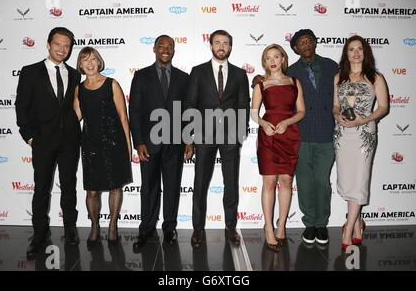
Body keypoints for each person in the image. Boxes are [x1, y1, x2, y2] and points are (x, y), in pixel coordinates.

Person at [15, 27, 81, 259]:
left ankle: (71, 229)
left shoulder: (74, 74)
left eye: (67, 46)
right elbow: (21, 106)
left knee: (69, 186)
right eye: (58, 44)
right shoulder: (30, 72)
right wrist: (29, 136)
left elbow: (73, 108)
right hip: (42, 141)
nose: (63, 49)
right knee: (41, 188)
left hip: (70, 141)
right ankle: (39, 234)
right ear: (48, 44)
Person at [184, 29, 250, 248]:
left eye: (226, 43)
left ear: (230, 47)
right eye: (217, 42)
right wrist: (188, 138)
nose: (221, 46)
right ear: (210, 45)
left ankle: (230, 227)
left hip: (230, 137)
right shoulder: (198, 72)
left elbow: (243, 105)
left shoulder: (240, 74)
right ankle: (197, 229)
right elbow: (190, 105)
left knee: (231, 183)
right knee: (200, 183)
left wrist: (239, 134)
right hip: (203, 135)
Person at [129, 35, 190, 249]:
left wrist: (189, 141)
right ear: (154, 49)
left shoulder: (184, 78)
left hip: (175, 143)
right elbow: (134, 111)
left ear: (173, 51)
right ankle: (146, 230)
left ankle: (169, 228)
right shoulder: (141, 76)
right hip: (149, 143)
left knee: (172, 187)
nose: (165, 49)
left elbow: (188, 113)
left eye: (169, 47)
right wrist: (138, 142)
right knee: (149, 188)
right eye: (161, 46)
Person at [73, 47, 133, 248]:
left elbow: (124, 118)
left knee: (115, 186)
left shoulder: (111, 84)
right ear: (80, 65)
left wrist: (128, 146)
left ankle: (113, 225)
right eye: (85, 60)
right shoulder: (78, 89)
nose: (89, 63)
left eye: (93, 59)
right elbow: (75, 118)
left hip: (114, 143)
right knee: (91, 192)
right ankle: (95, 225)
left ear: (99, 62)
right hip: (90, 145)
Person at [333, 35, 388, 250]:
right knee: (347, 181)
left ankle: (347, 228)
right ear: (346, 54)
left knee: (359, 180)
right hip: (342, 135)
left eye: (360, 49)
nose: (356, 52)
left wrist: (364, 119)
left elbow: (383, 107)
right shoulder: (339, 77)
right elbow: (335, 106)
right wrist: (338, 116)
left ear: (365, 53)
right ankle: (357, 225)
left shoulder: (376, 77)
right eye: (351, 49)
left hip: (364, 135)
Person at [251, 44, 305, 252]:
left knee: (286, 180)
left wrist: (288, 122)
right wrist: (264, 124)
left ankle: (281, 225)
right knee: (269, 182)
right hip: (269, 135)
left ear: (283, 59)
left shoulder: (294, 82)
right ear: (264, 62)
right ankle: (268, 228)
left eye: (276, 56)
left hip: (289, 134)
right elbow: (254, 112)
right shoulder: (261, 84)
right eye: (268, 58)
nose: (272, 60)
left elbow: (301, 111)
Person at [288, 29, 339, 245]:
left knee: (322, 182)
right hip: (300, 135)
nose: (306, 44)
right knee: (305, 182)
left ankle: (321, 223)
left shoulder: (331, 66)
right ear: (295, 48)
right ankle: (309, 224)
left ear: (315, 42)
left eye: (309, 40)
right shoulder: (290, 71)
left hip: (326, 134)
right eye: (301, 42)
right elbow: (273, 82)